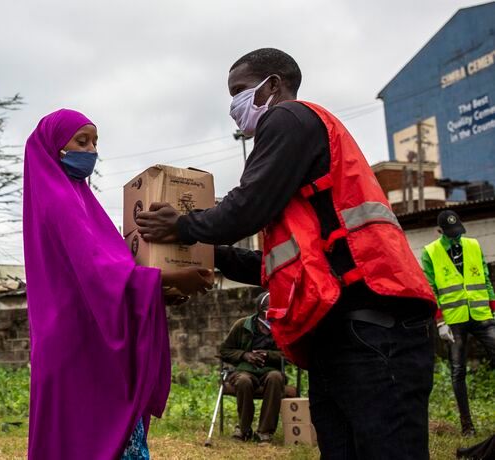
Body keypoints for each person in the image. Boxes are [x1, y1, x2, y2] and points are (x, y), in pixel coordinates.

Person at [136, 48, 437, 459]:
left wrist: (184, 226)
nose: (233, 107)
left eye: (239, 91)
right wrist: (211, 253)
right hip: (342, 332)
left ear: (273, 85)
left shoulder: (289, 118)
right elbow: (274, 269)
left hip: (373, 323)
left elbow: (247, 205)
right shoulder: (300, 182)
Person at [22, 109, 212, 459]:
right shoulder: (61, 202)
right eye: (82, 141)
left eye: (95, 142)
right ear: (53, 147)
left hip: (80, 337)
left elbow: (102, 274)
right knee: (93, 440)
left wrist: (159, 293)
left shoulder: (79, 200)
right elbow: (98, 274)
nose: (91, 150)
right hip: (79, 344)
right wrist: (167, 279)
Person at [421, 210, 495, 436]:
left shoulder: (473, 245)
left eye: (458, 232)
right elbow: (431, 289)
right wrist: (440, 322)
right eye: (450, 233)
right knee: (458, 371)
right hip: (454, 321)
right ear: (440, 231)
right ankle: (467, 426)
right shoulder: (430, 253)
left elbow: (485, 278)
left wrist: (493, 310)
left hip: (482, 315)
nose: (455, 237)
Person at [219, 292, 284, 443]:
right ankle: (244, 429)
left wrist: (268, 355)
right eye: (269, 308)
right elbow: (225, 350)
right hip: (245, 370)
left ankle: (264, 432)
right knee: (243, 381)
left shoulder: (281, 327)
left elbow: (288, 354)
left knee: (275, 377)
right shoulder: (242, 325)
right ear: (261, 309)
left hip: (270, 371)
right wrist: (245, 355)